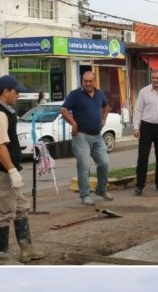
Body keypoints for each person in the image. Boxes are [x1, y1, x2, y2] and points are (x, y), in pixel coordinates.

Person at [0, 75, 47, 265]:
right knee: (4, 212)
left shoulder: (5, 111)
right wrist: (12, 171)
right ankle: (1, 256)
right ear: (6, 92)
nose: (19, 94)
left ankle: (27, 249)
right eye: (16, 91)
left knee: (21, 209)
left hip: (5, 170)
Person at [61, 71, 112, 205]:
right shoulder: (75, 94)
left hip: (97, 136)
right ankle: (85, 195)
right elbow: (64, 109)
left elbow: (106, 106)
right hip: (81, 136)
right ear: (81, 81)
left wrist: (103, 119)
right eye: (85, 81)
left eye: (90, 81)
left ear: (95, 81)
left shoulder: (99, 94)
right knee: (84, 165)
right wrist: (73, 123)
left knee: (104, 163)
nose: (88, 84)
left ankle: (101, 189)